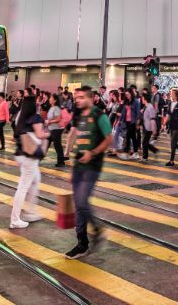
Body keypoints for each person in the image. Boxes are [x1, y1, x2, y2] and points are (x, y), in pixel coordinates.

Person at [65, 86, 112, 259]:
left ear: (91, 99)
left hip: (92, 166)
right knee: (78, 205)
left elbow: (109, 139)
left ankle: (98, 230)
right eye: (76, 97)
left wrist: (92, 153)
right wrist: (71, 165)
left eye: (81, 97)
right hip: (78, 166)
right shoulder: (78, 116)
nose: (77, 100)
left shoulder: (100, 116)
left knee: (82, 201)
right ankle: (82, 243)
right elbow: (77, 139)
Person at [10, 95, 46, 229]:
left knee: (35, 181)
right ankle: (15, 219)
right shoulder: (35, 117)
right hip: (29, 156)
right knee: (23, 187)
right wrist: (48, 134)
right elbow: (40, 135)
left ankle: (31, 212)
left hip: (20, 154)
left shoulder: (20, 116)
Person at [45, 93, 67, 167]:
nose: (49, 99)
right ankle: (38, 158)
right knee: (46, 144)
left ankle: (61, 161)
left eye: (50, 98)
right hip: (51, 129)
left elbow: (58, 119)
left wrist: (49, 122)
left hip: (56, 129)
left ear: (54, 100)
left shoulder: (56, 108)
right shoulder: (51, 107)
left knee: (57, 145)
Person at [166, 90, 178, 167]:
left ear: (176, 95)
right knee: (173, 143)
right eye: (171, 94)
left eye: (172, 94)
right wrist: (164, 123)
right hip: (171, 125)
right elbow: (168, 115)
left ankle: (171, 161)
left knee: (173, 143)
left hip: (177, 126)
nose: (171, 95)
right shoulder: (170, 103)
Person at [140, 91, 158, 162]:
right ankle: (154, 151)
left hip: (149, 128)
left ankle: (145, 157)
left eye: (142, 98)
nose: (142, 99)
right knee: (145, 142)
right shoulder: (146, 106)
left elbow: (152, 119)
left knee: (144, 142)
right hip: (146, 127)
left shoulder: (150, 107)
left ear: (145, 99)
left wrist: (154, 130)